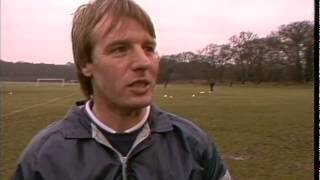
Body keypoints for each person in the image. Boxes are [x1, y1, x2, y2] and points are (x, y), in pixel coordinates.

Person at [13, 0, 232, 179]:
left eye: (149, 48)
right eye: (120, 49)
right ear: (85, 64)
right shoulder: (43, 157)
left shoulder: (193, 143)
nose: (143, 62)